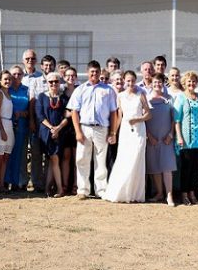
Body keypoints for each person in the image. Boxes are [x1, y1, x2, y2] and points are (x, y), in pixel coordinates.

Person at [68, 60, 118, 199]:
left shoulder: (108, 90)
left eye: (96, 71)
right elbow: (74, 112)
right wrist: (78, 131)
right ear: (87, 72)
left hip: (102, 129)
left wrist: (112, 132)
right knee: (82, 159)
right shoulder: (80, 89)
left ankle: (101, 190)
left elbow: (113, 112)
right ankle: (83, 190)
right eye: (92, 72)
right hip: (85, 128)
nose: (94, 74)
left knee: (101, 160)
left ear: (100, 72)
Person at [104, 71, 152, 203]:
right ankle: (122, 192)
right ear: (124, 81)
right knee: (124, 159)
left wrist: (137, 119)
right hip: (125, 131)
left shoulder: (141, 94)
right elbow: (119, 116)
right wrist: (113, 133)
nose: (130, 83)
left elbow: (149, 114)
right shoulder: (120, 96)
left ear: (136, 81)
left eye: (132, 81)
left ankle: (134, 193)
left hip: (139, 130)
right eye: (128, 81)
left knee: (136, 159)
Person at [174, 71, 198, 205]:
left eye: (194, 81)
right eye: (189, 81)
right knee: (186, 168)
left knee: (196, 168)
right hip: (186, 139)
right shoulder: (181, 97)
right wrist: (179, 137)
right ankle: (184, 194)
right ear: (184, 83)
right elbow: (177, 120)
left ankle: (192, 193)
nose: (191, 83)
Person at [35, 72, 70, 197]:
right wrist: (51, 128)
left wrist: (58, 128)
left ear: (59, 82)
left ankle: (49, 188)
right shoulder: (41, 97)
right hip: (46, 132)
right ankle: (57, 188)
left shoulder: (64, 98)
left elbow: (68, 116)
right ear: (47, 83)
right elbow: (40, 115)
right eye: (51, 82)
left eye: (56, 81)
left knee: (53, 159)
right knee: (53, 158)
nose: (54, 84)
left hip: (60, 132)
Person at [145, 73, 177, 206]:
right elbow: (144, 120)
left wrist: (170, 134)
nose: (157, 84)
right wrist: (149, 136)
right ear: (151, 83)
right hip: (152, 137)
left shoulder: (169, 98)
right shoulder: (146, 98)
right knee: (155, 166)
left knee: (167, 166)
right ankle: (159, 193)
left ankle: (169, 195)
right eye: (155, 82)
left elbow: (174, 118)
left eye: (159, 82)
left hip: (166, 138)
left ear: (163, 83)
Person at [27, 55, 56, 193]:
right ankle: (37, 183)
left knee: (50, 155)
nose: (48, 67)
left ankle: (47, 183)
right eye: (46, 65)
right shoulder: (35, 81)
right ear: (41, 66)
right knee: (36, 154)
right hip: (38, 124)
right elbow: (32, 102)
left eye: (50, 65)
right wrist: (32, 120)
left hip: (52, 124)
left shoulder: (58, 81)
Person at [6, 65, 31, 192]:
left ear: (23, 75)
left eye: (19, 74)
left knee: (18, 155)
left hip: (21, 126)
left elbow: (30, 108)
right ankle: (5, 181)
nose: (16, 76)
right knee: (6, 154)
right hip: (7, 125)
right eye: (14, 74)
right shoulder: (6, 89)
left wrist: (23, 113)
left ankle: (16, 182)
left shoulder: (26, 90)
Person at [61, 67, 79, 194]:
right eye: (68, 75)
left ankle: (76, 185)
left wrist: (71, 113)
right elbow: (61, 112)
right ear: (64, 77)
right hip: (65, 129)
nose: (70, 78)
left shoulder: (80, 92)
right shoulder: (61, 93)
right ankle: (65, 185)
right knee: (66, 157)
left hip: (77, 128)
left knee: (77, 159)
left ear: (76, 77)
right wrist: (72, 112)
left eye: (73, 75)